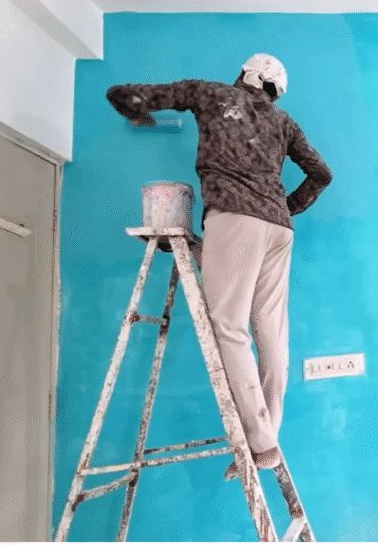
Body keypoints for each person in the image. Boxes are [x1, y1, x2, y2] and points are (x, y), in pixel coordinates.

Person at [107, 54, 332, 480]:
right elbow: (321, 173)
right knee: (271, 333)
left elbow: (129, 95)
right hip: (279, 230)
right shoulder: (285, 123)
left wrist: (135, 111)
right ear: (274, 91)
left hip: (233, 216)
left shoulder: (211, 92)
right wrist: (286, 207)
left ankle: (262, 442)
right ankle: (268, 438)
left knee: (228, 327)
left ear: (247, 74)